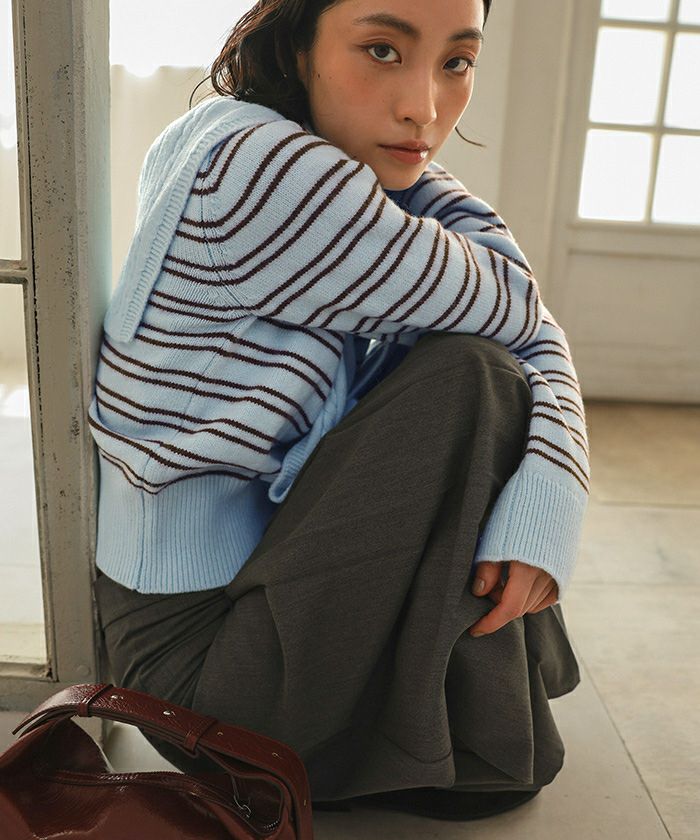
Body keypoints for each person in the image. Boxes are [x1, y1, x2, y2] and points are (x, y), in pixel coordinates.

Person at [90, 0, 589, 822]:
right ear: (298, 45)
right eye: (382, 50)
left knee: (480, 372)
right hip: (199, 672)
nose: (423, 106)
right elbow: (518, 313)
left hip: (243, 594)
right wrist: (551, 491)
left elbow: (527, 323)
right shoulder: (258, 168)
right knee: (473, 379)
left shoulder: (330, 161)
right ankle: (438, 730)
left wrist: (547, 498)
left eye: (456, 62)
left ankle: (435, 718)